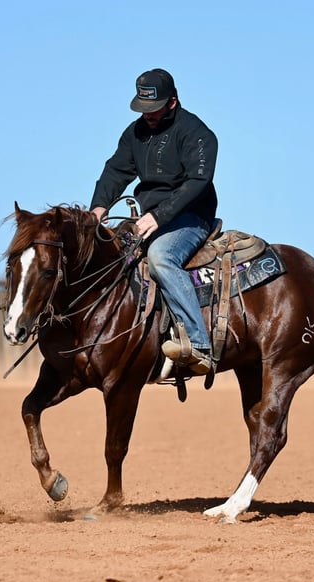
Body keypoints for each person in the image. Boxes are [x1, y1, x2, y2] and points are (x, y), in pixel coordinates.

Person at [90, 68, 218, 375]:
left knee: (161, 257)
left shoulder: (197, 134)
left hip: (190, 217)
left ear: (172, 102)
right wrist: (98, 208)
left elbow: (197, 181)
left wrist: (159, 216)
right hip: (147, 218)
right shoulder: (135, 133)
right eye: (143, 107)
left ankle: (199, 344)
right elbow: (115, 171)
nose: (147, 114)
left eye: (154, 108)